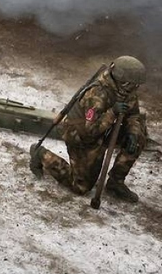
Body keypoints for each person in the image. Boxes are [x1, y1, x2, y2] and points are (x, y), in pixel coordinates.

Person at [30, 55, 148, 202]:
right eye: (133, 84)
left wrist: (133, 132)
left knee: (139, 136)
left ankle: (115, 183)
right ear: (123, 81)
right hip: (81, 136)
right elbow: (90, 131)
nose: (136, 88)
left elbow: (133, 115)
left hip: (104, 130)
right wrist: (112, 113)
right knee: (81, 187)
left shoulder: (125, 91)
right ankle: (41, 155)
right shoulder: (97, 94)